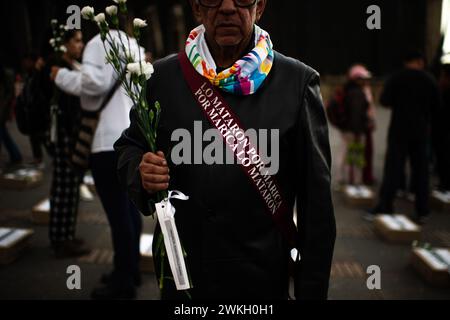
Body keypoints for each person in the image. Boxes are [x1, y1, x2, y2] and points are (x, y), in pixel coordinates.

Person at [115, 0, 336, 300]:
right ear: (196, 8)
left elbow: (317, 209)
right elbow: (129, 146)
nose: (228, 8)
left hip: (262, 283)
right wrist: (139, 170)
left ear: (260, 7)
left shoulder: (296, 83)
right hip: (186, 282)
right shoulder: (162, 79)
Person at [51, 27, 143, 299]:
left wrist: (62, 76)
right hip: (130, 137)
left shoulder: (97, 42)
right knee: (129, 211)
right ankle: (129, 269)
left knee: (118, 217)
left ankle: (123, 283)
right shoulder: (129, 41)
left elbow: (94, 82)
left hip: (105, 142)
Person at [368, 51, 440, 223]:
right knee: (421, 170)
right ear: (420, 62)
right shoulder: (429, 80)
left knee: (393, 168)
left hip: (399, 129)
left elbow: (384, 101)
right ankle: (422, 210)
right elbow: (437, 106)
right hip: (420, 130)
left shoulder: (397, 78)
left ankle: (386, 205)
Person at [47, 30, 91, 258]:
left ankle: (67, 235)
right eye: (76, 40)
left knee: (71, 187)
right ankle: (60, 239)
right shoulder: (58, 68)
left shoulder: (72, 65)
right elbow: (62, 110)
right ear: (64, 44)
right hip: (65, 136)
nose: (81, 45)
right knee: (64, 188)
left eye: (81, 40)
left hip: (72, 135)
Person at [336, 64, 373, 186]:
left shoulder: (347, 90)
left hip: (346, 129)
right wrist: (357, 132)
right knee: (355, 157)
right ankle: (355, 181)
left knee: (344, 153)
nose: (365, 81)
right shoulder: (357, 93)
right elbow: (356, 114)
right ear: (356, 79)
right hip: (354, 131)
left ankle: (341, 179)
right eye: (362, 79)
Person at [0, 63, 22, 168]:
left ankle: (16, 155)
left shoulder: (6, 76)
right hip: (3, 110)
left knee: (3, 134)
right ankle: (16, 155)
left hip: (2, 110)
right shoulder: (7, 75)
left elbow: (8, 96)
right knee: (4, 134)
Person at [433, 64, 450, 192]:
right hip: (440, 131)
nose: (440, 79)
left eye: (443, 76)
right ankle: (443, 183)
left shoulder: (443, 92)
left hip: (444, 132)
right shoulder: (441, 91)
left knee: (444, 158)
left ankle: (445, 184)